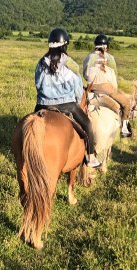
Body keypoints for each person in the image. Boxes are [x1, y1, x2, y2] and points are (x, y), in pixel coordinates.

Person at [35, 28, 102, 168]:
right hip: (66, 105)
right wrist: (77, 102)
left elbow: (38, 84)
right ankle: (90, 157)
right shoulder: (70, 63)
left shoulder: (41, 62)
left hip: (42, 105)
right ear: (65, 45)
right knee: (87, 125)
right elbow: (78, 89)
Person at [83, 34, 132, 137]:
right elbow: (115, 74)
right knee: (127, 104)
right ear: (106, 46)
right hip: (108, 88)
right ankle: (124, 130)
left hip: (91, 88)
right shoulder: (110, 58)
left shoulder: (90, 56)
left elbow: (85, 74)